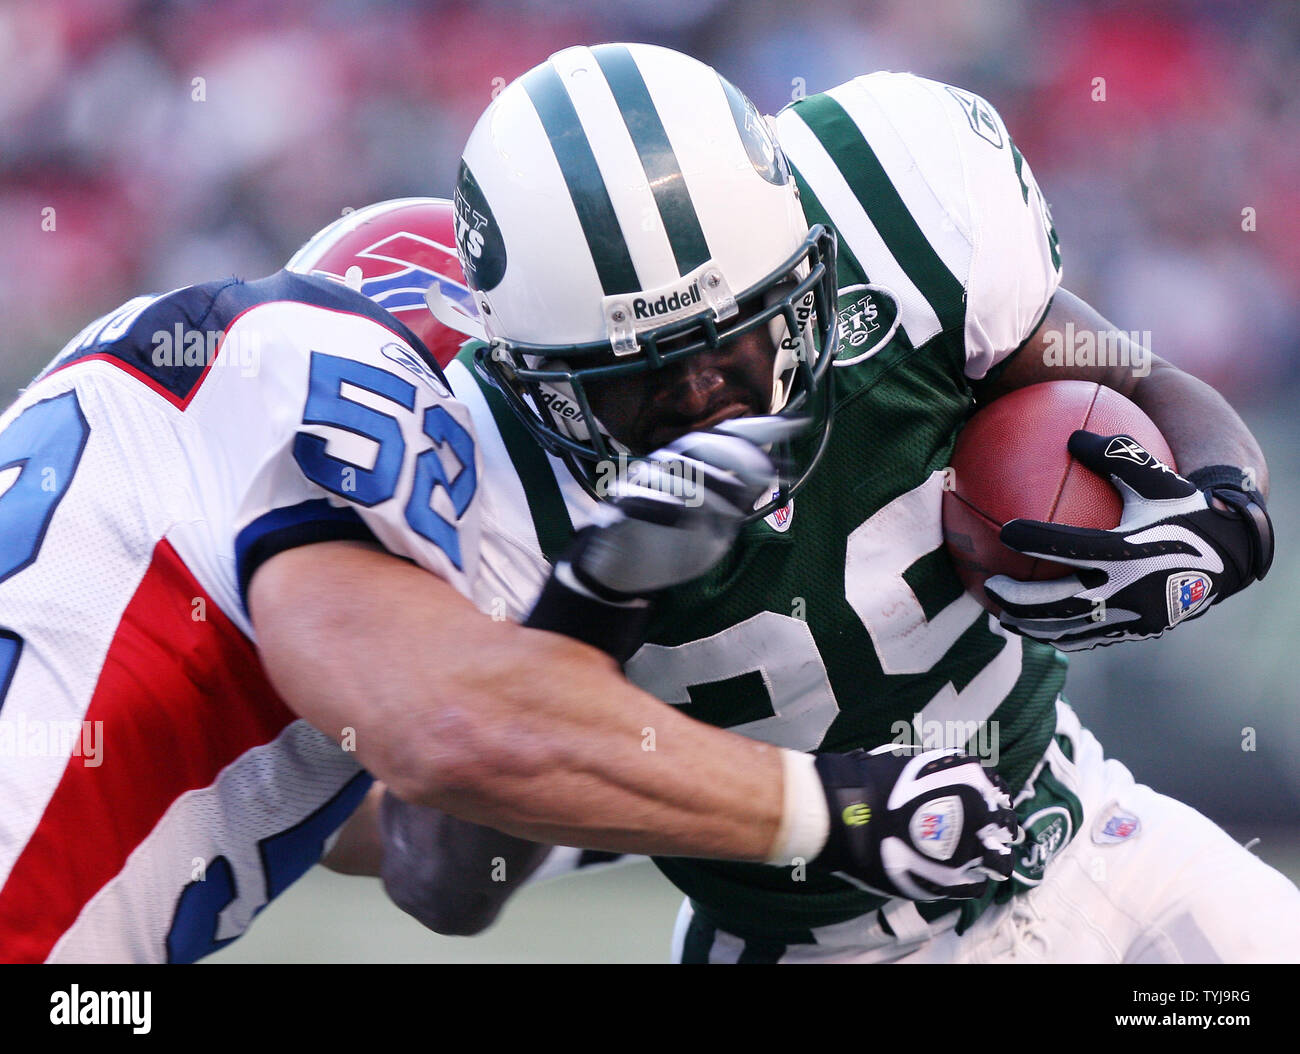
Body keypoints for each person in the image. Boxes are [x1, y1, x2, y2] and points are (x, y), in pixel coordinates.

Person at [354, 43, 1299, 963]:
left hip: (1087, 839)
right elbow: (440, 878)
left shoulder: (894, 217)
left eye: (732, 345)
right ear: (535, 377)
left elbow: (1134, 377)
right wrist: (590, 606)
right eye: (636, 382)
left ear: (810, 269)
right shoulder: (479, 462)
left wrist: (1226, 512)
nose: (701, 402)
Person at [0, 195, 1018, 961]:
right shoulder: (344, 373)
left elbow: (407, 850)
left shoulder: (190, 482)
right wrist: (837, 808)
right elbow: (460, 735)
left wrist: (629, 792)